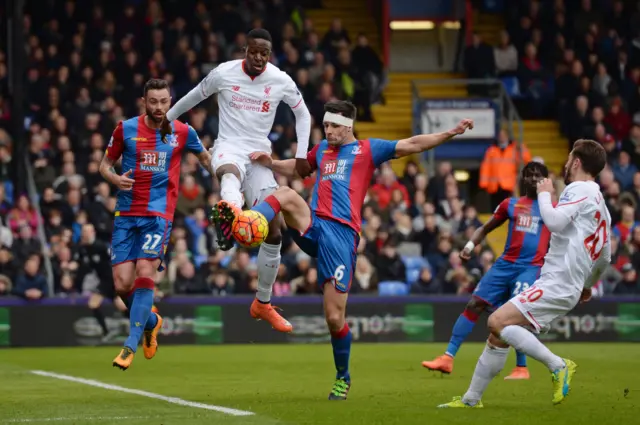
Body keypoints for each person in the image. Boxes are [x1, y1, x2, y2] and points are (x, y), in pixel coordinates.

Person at [215, 100, 473, 400]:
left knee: (334, 318)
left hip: (341, 236)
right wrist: (270, 163)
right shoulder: (322, 149)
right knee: (283, 193)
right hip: (314, 224)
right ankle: (245, 222)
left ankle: (343, 377)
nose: (328, 131)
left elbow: (413, 143)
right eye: (325, 125)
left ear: (347, 125)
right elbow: (299, 170)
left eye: (333, 126)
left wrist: (451, 132)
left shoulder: (368, 149)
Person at [438, 139, 611, 408]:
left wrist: (544, 192)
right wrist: (588, 284)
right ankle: (471, 400)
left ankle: (558, 365)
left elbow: (553, 222)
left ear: (577, 163)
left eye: (568, 160)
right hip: (566, 282)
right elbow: (605, 256)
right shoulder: (600, 203)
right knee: (499, 335)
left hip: (560, 280)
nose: (565, 164)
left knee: (497, 321)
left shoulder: (578, 189)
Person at [162, 28, 312, 334]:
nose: (258, 58)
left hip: (259, 153)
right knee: (229, 172)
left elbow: (304, 115)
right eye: (254, 51)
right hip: (228, 145)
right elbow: (193, 96)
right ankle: (230, 212)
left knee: (274, 230)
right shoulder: (223, 74)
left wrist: (301, 154)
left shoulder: (280, 80)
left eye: (264, 53)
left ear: (270, 55)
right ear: (245, 49)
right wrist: (168, 119)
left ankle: (263, 303)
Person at [100, 78, 212, 370]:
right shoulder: (125, 129)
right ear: (144, 101)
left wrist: (230, 180)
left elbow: (206, 159)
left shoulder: (182, 131)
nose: (160, 107)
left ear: (170, 100)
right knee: (123, 284)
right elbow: (104, 166)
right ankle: (151, 321)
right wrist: (114, 178)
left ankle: (129, 345)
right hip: (126, 215)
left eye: (164, 101)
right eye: (154, 102)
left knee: (145, 270)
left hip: (158, 215)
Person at [422, 161, 551, 380]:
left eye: (537, 175)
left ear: (545, 181)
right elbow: (485, 227)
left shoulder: (551, 209)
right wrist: (470, 246)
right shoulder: (510, 204)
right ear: (522, 179)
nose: (532, 178)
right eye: (528, 174)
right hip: (504, 265)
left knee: (516, 313)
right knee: (474, 303)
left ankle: (521, 367)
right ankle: (448, 357)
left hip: (529, 268)